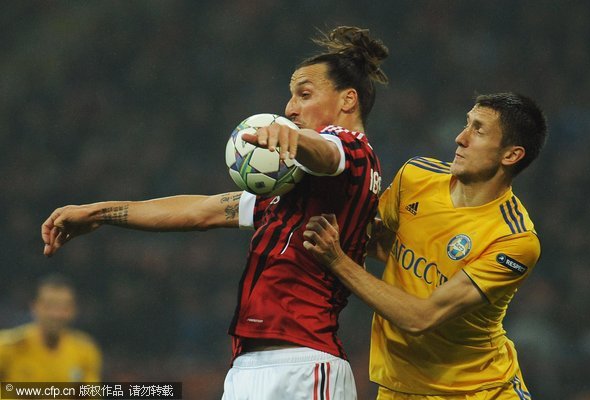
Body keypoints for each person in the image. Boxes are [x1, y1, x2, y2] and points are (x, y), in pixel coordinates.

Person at [40, 26, 389, 399]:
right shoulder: (292, 187)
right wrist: (98, 212)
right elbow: (201, 211)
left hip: (306, 366)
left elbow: (328, 153)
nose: (289, 108)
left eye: (304, 94)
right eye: (290, 97)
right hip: (248, 366)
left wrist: (296, 139)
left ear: (347, 100)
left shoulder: (353, 153)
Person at [303, 92, 547, 399]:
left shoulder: (514, 239)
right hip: (400, 388)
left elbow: (421, 317)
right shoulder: (417, 176)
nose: (460, 138)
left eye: (478, 130)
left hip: (480, 391)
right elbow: (372, 236)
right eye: (466, 124)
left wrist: (337, 260)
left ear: (510, 155)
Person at [0, 273, 102, 382]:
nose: (56, 314)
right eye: (49, 306)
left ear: (74, 309)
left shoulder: (85, 351)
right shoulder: (8, 347)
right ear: (34, 306)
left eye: (63, 307)